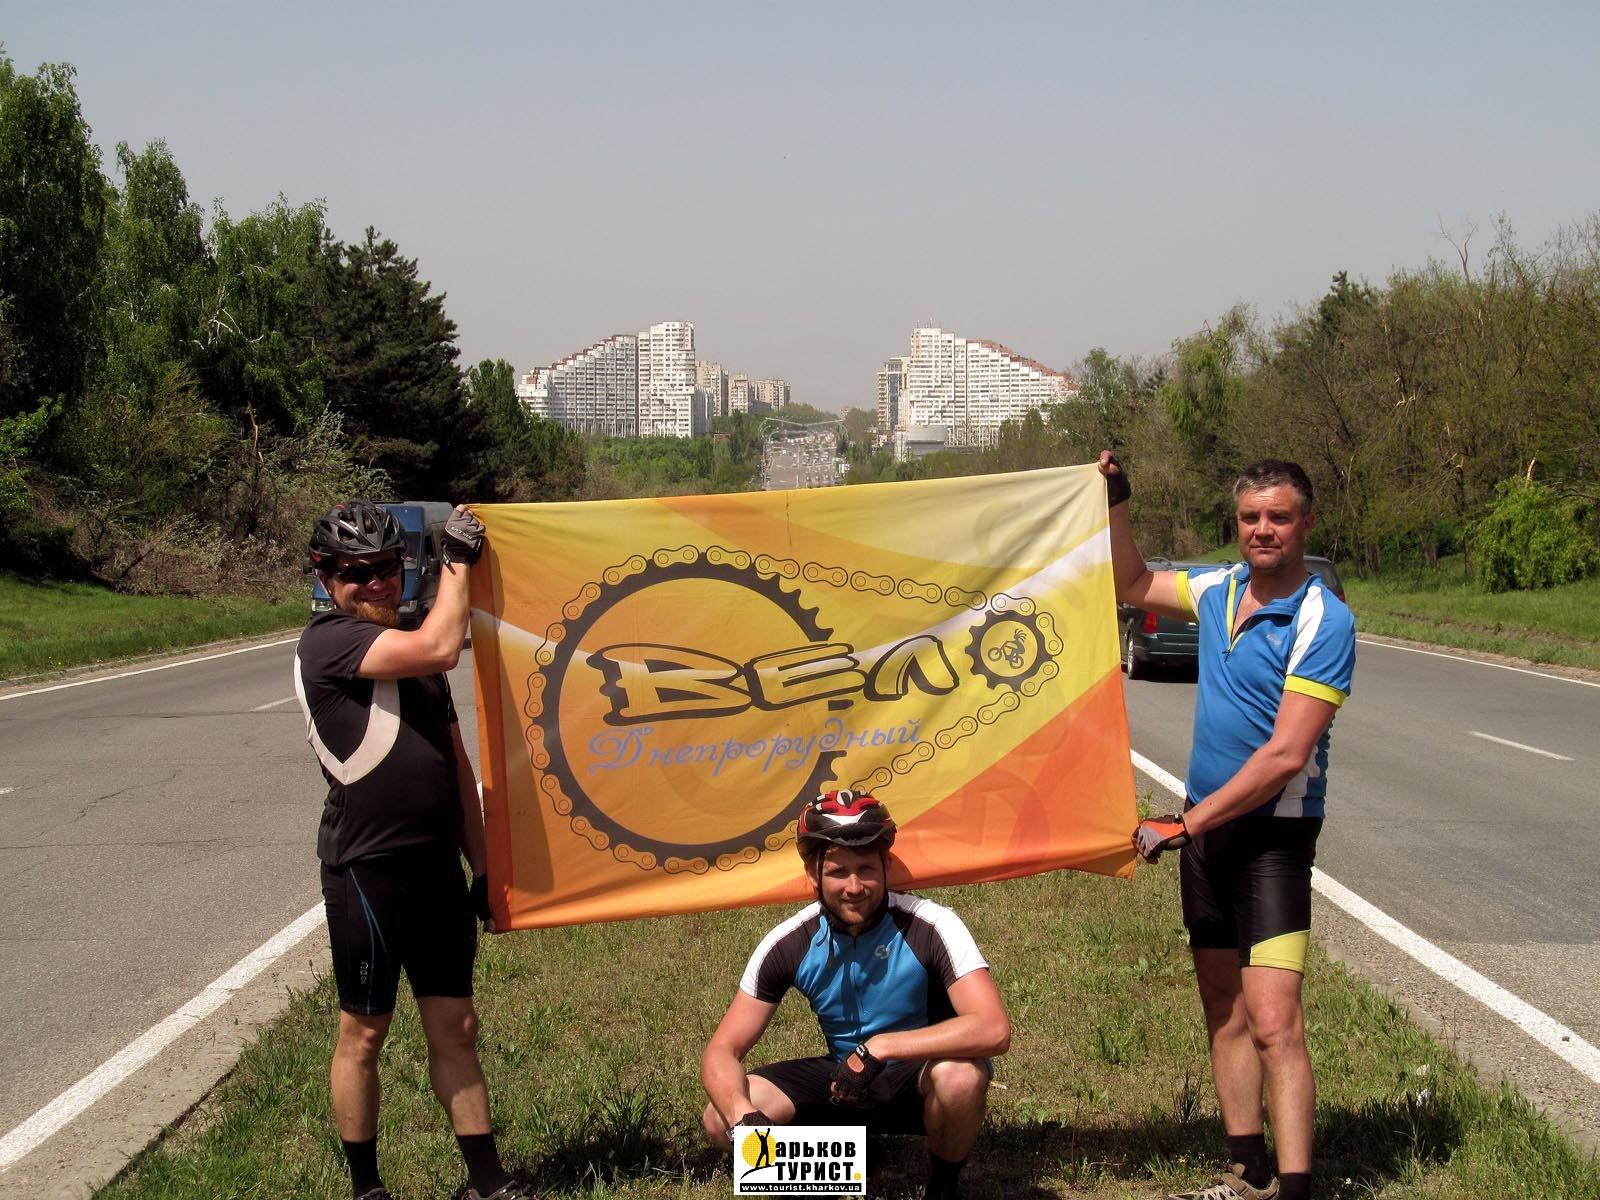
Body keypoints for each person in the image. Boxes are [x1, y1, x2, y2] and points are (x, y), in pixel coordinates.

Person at [1100, 453, 1355, 1200]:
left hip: (1272, 840)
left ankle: (1296, 1189)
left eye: (1279, 517)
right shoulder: (1219, 588)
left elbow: (1286, 755)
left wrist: (1186, 822)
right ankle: (1246, 1172)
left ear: (1306, 523)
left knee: (1276, 1023)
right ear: (1236, 524)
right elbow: (1131, 582)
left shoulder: (1323, 618)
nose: (1263, 529)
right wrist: (1116, 499)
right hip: (1205, 837)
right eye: (1251, 517)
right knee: (1224, 1010)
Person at [297, 500, 531, 1200]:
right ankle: (367, 1189)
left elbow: (456, 766)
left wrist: (483, 868)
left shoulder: (412, 641)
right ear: (327, 579)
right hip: (368, 870)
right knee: (364, 1033)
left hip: (436, 870)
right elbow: (440, 646)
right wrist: (458, 561)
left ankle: (486, 1185)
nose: (374, 581)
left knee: (456, 1026)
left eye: (386, 567)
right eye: (356, 571)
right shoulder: (328, 641)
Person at [700, 790, 1011, 1200]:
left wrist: (879, 1048)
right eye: (838, 872)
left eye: (866, 869)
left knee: (960, 1077)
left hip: (920, 1080)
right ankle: (857, 1165)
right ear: (813, 874)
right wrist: (744, 1119)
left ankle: (942, 1188)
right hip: (842, 1082)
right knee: (718, 1120)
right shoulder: (789, 942)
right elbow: (721, 1050)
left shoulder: (932, 924)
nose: (854, 887)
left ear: (885, 867)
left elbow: (993, 1029)